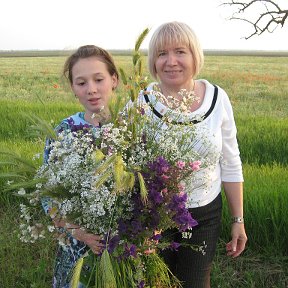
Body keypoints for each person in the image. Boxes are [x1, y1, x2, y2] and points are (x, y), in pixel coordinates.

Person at [138, 21, 248, 288]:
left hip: (204, 216)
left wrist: (238, 220)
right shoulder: (140, 102)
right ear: (153, 61)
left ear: (194, 56)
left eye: (180, 51)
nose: (171, 61)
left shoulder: (217, 98)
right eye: (162, 54)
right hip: (154, 217)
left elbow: (231, 162)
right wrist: (141, 223)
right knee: (156, 283)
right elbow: (130, 167)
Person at [42, 45, 119, 288]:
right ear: (73, 88)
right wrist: (78, 232)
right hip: (76, 252)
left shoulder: (133, 126)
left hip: (124, 249)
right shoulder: (64, 132)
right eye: (81, 82)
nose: (92, 89)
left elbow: (153, 187)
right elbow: (47, 194)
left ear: (114, 80)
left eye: (99, 79)